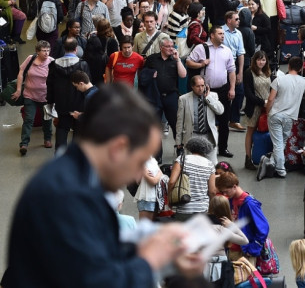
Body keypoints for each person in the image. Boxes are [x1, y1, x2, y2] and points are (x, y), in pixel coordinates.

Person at [1, 84, 203, 286]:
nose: (137, 174)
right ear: (118, 149)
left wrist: (159, 242)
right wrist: (150, 261)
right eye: (140, 161)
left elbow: (95, 249)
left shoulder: (77, 179)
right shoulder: (64, 196)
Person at [186, 26, 236, 158]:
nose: (223, 36)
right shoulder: (201, 48)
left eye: (223, 34)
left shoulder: (227, 51)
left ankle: (223, 148)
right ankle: (204, 147)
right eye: (220, 33)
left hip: (223, 89)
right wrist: (201, 64)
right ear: (212, 35)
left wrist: (232, 88)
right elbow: (189, 62)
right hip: (205, 90)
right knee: (205, 120)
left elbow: (231, 70)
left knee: (224, 120)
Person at [265, 56, 305, 177]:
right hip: (290, 117)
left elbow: (271, 98)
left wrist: (268, 112)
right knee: (282, 142)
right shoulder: (303, 82)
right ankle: (272, 162)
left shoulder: (279, 80)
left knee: (278, 143)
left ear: (288, 66)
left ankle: (280, 169)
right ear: (300, 69)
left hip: (276, 114)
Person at [46, 37, 90, 151]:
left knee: (61, 131)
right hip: (79, 105)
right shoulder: (83, 65)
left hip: (61, 105)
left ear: (63, 48)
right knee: (78, 134)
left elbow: (49, 85)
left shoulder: (54, 65)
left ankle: (59, 159)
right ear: (76, 49)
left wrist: (50, 103)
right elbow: (87, 86)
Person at [14, 41, 54, 155]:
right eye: (43, 50)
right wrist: (18, 90)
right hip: (29, 95)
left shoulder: (52, 62)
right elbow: (21, 72)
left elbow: (56, 79)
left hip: (46, 97)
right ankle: (24, 144)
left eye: (48, 50)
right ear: (37, 51)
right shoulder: (30, 59)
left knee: (47, 119)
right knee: (28, 119)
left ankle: (47, 139)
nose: (46, 53)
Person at [176, 75, 224, 164]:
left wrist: (208, 98)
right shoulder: (183, 99)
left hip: (208, 136)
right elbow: (180, 121)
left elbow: (220, 111)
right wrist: (178, 141)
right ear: (192, 86)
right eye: (198, 86)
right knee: (191, 164)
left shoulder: (213, 96)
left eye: (202, 85)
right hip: (192, 136)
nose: (201, 88)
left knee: (212, 164)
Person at [169, 136, 218, 220]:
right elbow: (212, 191)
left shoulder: (182, 159)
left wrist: (170, 199)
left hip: (183, 207)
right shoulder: (210, 164)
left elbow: (171, 182)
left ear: (190, 147)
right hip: (202, 209)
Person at [243, 50, 273, 170]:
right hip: (254, 108)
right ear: (255, 60)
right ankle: (248, 158)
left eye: (264, 60)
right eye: (259, 59)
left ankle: (266, 157)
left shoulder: (268, 72)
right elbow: (248, 93)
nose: (261, 62)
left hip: (267, 108)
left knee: (267, 132)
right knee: (251, 132)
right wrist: (263, 102)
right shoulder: (249, 72)